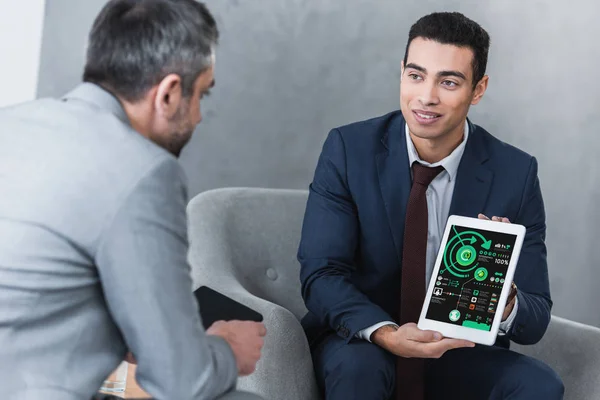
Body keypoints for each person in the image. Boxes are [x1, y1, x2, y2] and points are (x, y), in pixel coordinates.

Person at [0, 1, 265, 399]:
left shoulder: (12, 123)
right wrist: (229, 348)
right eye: (201, 97)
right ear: (169, 94)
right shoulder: (145, 170)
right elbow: (181, 382)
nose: (197, 118)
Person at [298, 11, 564, 400]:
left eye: (449, 81)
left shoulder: (514, 173)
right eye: (416, 75)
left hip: (454, 348)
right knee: (359, 371)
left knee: (540, 385)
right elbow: (321, 275)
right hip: (364, 340)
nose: (426, 97)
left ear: (478, 89)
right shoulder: (348, 150)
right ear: (401, 72)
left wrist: (504, 300)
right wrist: (387, 334)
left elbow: (535, 317)